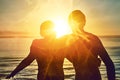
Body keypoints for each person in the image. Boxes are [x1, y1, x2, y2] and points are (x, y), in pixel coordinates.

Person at [66, 10, 115, 80]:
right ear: (84, 22)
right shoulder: (93, 38)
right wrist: (91, 61)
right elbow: (109, 64)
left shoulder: (67, 41)